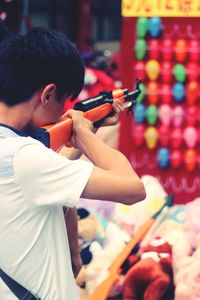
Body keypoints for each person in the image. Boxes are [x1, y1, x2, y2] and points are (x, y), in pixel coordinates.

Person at [0, 24, 146, 300]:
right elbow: (132, 188)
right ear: (47, 94)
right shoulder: (23, 157)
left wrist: (89, 128)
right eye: (64, 102)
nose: (64, 112)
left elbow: (47, 179)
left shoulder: (14, 152)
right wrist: (81, 132)